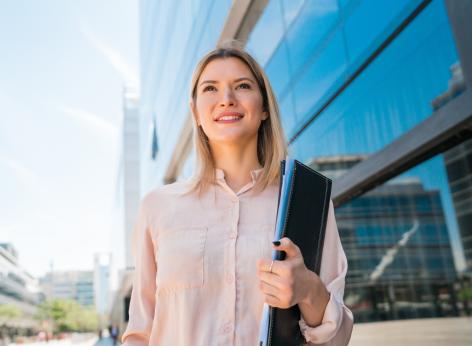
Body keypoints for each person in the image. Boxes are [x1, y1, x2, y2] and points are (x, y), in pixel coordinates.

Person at [122, 42, 353, 345]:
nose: (226, 100)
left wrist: (308, 289)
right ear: (196, 112)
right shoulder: (157, 207)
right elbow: (140, 332)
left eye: (242, 86)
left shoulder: (306, 203)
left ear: (264, 108)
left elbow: (339, 339)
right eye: (210, 89)